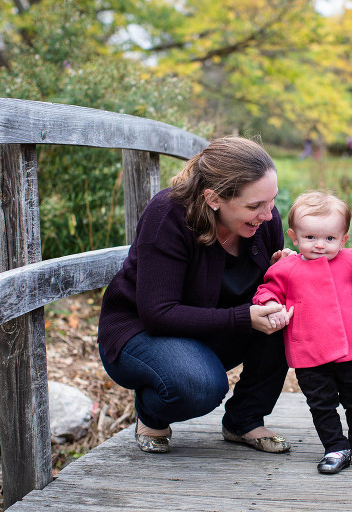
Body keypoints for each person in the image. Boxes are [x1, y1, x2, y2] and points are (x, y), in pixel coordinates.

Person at [97, 136, 294, 455]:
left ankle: (244, 420)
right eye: (255, 205)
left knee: (284, 316)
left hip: (212, 329)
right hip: (143, 334)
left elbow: (263, 293)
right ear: (213, 198)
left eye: (271, 202)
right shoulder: (169, 215)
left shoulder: (263, 224)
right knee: (198, 386)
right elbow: (158, 313)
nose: (268, 214)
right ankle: (152, 413)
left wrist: (283, 275)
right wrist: (243, 317)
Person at [253, 191, 352, 474]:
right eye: (310, 237)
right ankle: (335, 446)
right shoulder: (287, 268)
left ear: (343, 239)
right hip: (310, 350)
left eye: (329, 239)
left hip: (351, 346)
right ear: (294, 236)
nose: (319, 245)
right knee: (321, 402)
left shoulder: (351, 260)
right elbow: (267, 290)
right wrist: (269, 303)